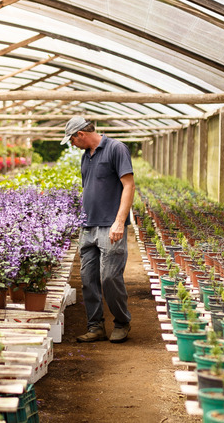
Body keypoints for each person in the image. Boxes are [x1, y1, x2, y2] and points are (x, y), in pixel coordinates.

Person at [61, 116, 135, 343]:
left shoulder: (116, 149)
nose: (72, 145)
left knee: (110, 277)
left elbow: (129, 185)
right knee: (87, 278)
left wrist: (119, 221)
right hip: (88, 226)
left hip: (109, 226)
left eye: (72, 140)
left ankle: (122, 322)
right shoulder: (86, 156)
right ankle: (96, 326)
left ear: (80, 134)